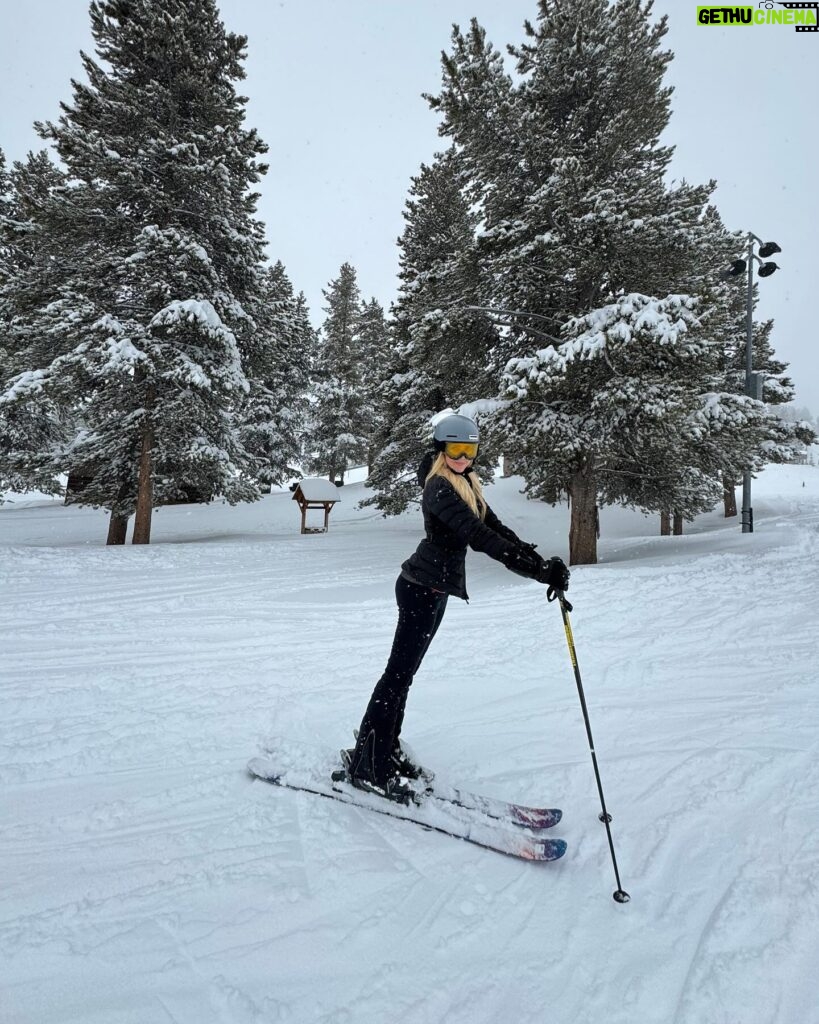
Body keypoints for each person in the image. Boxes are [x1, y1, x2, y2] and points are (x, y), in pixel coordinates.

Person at [345, 413, 570, 802]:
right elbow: (478, 536)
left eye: (470, 450)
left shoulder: (464, 483)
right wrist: (536, 572)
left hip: (435, 590)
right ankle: (369, 764)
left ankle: (385, 749)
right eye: (455, 449)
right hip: (419, 590)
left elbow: (495, 527)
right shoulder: (440, 488)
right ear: (441, 449)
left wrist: (540, 563)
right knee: (397, 676)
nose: (463, 457)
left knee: (405, 675)